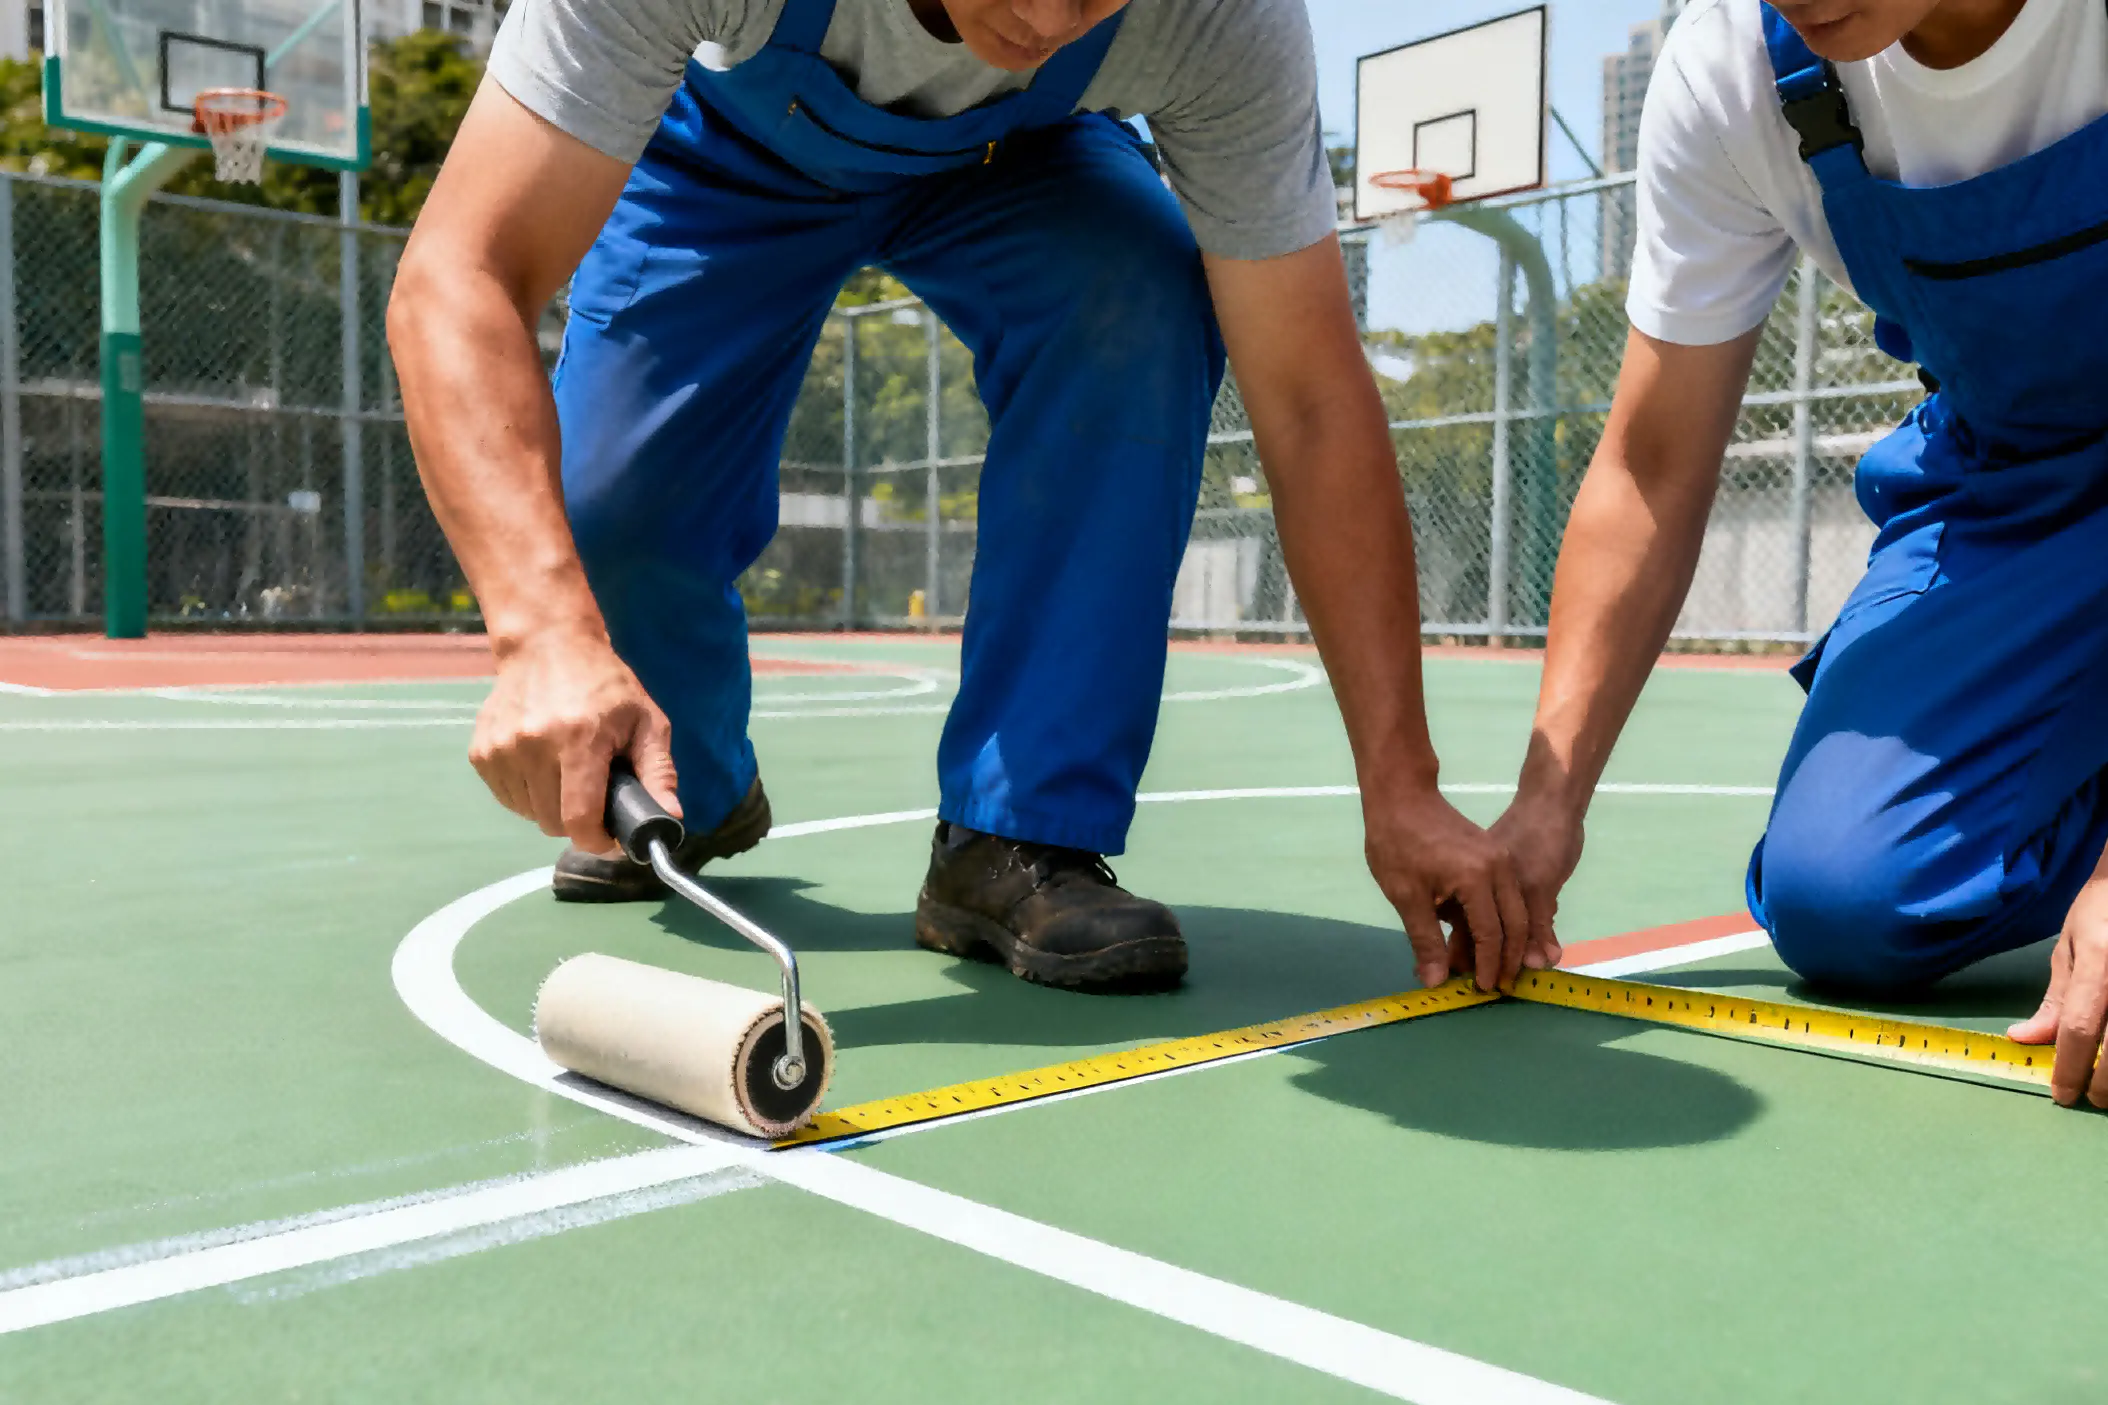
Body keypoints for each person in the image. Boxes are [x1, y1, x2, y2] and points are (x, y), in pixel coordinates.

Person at [389, 0, 1542, 995]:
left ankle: (1018, 831)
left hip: (1020, 161)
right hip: (718, 149)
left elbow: (1310, 403)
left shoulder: (1220, 22)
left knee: (1135, 290)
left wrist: (1405, 785)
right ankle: (692, 776)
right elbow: (461, 271)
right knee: (611, 506)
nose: (1041, 23)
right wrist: (541, 632)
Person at [1492, 0, 2108, 1106]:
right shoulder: (1737, 69)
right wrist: (1545, 805)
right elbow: (1649, 462)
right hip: (2016, 491)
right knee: (1845, 897)